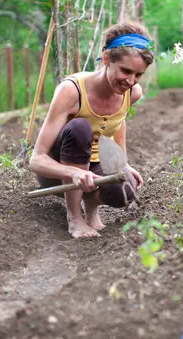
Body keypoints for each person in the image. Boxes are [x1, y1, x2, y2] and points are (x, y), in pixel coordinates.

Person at [29, 21, 153, 239]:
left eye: (138, 75)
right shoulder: (72, 91)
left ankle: (90, 205)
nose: (131, 81)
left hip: (93, 166)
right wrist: (74, 172)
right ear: (106, 59)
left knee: (126, 191)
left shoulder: (132, 92)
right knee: (80, 128)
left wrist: (121, 163)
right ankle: (74, 217)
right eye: (125, 71)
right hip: (59, 170)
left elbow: (118, 121)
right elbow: (36, 159)